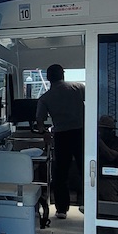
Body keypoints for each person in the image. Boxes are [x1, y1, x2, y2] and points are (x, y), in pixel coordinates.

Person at [34, 64, 84, 219]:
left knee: (61, 173)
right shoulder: (78, 87)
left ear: (48, 78)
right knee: (85, 169)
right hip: (81, 132)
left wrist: (44, 132)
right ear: (63, 74)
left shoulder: (45, 98)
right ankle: (86, 203)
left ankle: (62, 209)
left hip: (62, 135)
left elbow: (39, 120)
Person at [97, 114, 118, 202]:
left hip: (108, 177)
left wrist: (99, 141)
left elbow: (111, 156)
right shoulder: (92, 141)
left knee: (111, 201)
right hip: (93, 175)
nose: (101, 131)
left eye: (103, 129)